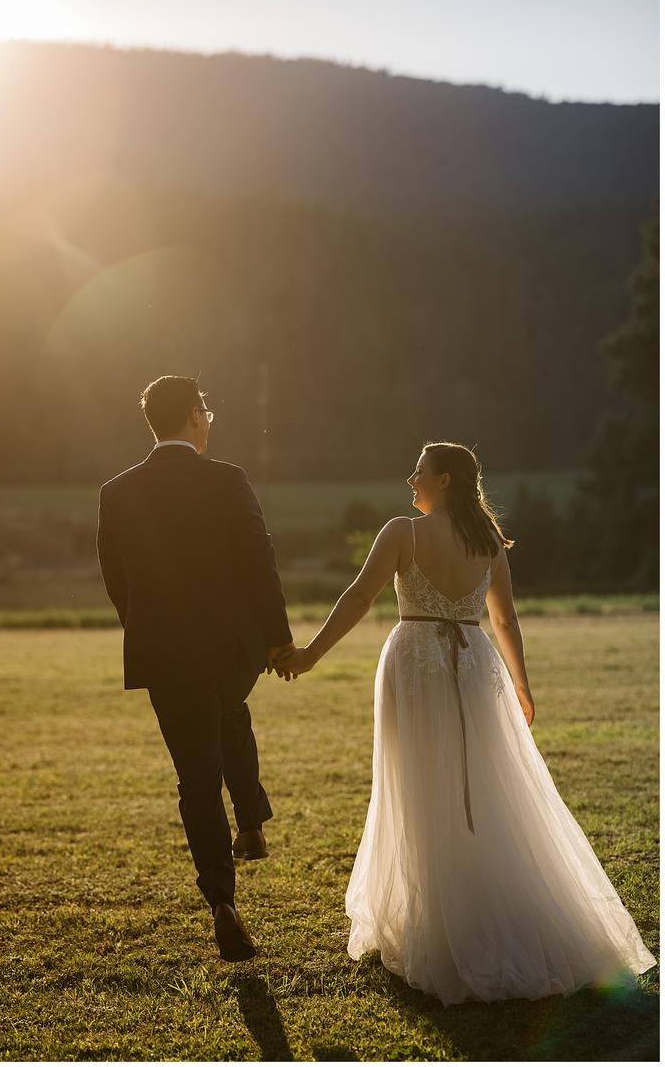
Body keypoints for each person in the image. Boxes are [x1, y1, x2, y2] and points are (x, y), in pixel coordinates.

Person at [278, 441, 656, 1002]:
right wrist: (522, 685)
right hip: (477, 666)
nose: (411, 478)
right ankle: (466, 903)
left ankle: (440, 922)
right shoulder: (487, 544)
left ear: (446, 480)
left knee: (421, 788)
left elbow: (359, 598)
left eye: (420, 471)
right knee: (478, 786)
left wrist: (310, 653)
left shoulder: (403, 533)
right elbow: (505, 619)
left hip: (416, 664)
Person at [96, 375, 294, 962]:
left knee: (196, 778)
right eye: (206, 411)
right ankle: (253, 817)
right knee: (230, 711)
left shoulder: (118, 491)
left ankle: (222, 903)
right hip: (233, 648)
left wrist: (146, 626)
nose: (210, 421)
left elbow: (114, 576)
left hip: (166, 652)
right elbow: (261, 561)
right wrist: (278, 639)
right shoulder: (227, 480)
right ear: (192, 416)